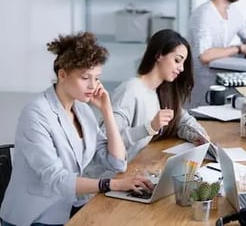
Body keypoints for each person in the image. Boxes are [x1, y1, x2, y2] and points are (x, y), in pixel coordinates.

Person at [0, 32, 153, 226]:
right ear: (62, 75)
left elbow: (117, 163)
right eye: (85, 78)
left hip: (67, 208)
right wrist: (112, 185)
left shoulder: (82, 109)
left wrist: (107, 110)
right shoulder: (36, 113)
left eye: (97, 78)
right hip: (34, 218)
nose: (93, 85)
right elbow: (56, 179)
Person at [103, 29, 210, 161]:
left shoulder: (160, 92)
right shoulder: (131, 90)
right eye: (177, 60)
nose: (181, 69)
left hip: (135, 167)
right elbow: (106, 140)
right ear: (159, 55)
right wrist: (149, 128)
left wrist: (199, 135)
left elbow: (182, 120)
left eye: (183, 63)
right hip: (111, 175)